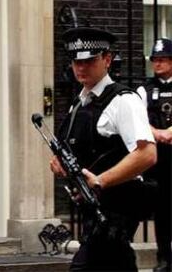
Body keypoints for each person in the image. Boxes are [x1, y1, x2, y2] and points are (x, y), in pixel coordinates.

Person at [50, 27, 157, 271]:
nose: (81, 67)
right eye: (77, 61)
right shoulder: (80, 102)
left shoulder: (123, 101)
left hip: (117, 209)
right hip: (94, 210)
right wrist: (60, 163)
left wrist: (99, 181)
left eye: (89, 60)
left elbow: (147, 154)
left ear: (107, 59)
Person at [136, 38, 172, 272]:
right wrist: (159, 133)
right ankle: (164, 258)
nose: (157, 63)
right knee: (163, 210)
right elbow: (138, 120)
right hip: (158, 159)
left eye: (162, 59)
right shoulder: (144, 89)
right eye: (155, 60)